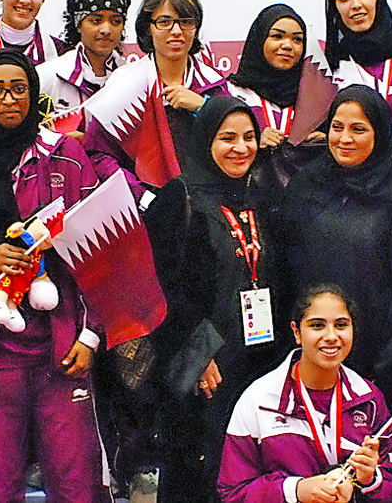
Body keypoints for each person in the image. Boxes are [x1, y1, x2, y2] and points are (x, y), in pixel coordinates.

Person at [0, 49, 110, 502]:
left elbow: (101, 254)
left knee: (78, 486)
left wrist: (91, 336)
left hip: (62, 347)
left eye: (18, 89)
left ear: (34, 94)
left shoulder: (66, 156)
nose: (8, 100)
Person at [275, 85, 392, 503]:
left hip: (377, 375)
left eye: (358, 129)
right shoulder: (305, 188)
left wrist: (379, 378)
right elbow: (284, 273)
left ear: (380, 134)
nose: (345, 139)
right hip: (309, 368)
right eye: (337, 127)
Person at [144, 96, 292, 502]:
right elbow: (158, 283)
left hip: (259, 360)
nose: (240, 148)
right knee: (199, 472)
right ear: (206, 139)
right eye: (227, 138)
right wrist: (195, 352)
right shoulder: (179, 198)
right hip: (205, 367)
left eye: (248, 137)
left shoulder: (262, 197)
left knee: (249, 471)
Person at [217, 284, 392, 502]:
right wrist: (295, 491)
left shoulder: (369, 400)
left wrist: (369, 480)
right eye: (317, 325)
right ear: (297, 332)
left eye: (341, 325)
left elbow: (391, 489)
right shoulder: (258, 400)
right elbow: (232, 493)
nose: (331, 336)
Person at [83, 0, 228, 191]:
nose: (176, 31)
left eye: (186, 22)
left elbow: (237, 143)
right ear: (147, 28)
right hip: (144, 202)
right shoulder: (126, 82)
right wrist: (141, 197)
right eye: (164, 22)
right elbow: (99, 154)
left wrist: (204, 106)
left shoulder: (213, 84)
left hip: (207, 201)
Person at [227, 4, 325, 188]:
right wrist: (252, 140)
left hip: (302, 198)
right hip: (244, 195)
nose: (287, 45)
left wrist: (323, 143)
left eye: (297, 39)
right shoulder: (232, 93)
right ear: (259, 40)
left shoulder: (318, 100)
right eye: (277, 36)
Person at [37, 0, 132, 118]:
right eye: (96, 20)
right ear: (78, 24)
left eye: (116, 21)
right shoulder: (49, 76)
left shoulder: (132, 78)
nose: (106, 30)